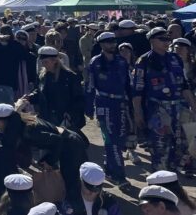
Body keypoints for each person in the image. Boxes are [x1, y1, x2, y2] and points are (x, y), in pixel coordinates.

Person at [0, 103, 88, 205]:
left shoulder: (28, 131)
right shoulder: (23, 124)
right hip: (68, 142)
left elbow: (57, 140)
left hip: (71, 145)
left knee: (73, 182)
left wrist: (49, 161)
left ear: (8, 122)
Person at [132, 27, 196, 171]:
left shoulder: (175, 58)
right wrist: (138, 112)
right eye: (162, 39)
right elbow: (137, 90)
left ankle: (174, 177)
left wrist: (194, 106)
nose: (166, 42)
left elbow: (185, 86)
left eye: (168, 38)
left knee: (181, 145)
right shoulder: (144, 61)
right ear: (152, 40)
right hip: (157, 109)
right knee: (161, 147)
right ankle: (160, 180)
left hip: (178, 107)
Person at [84, 32, 132, 185]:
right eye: (107, 42)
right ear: (101, 45)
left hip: (121, 105)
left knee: (120, 139)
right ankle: (119, 175)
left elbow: (128, 85)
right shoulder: (95, 62)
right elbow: (90, 85)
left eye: (113, 41)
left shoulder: (121, 61)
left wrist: (133, 105)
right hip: (104, 106)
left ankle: (110, 169)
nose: (111, 44)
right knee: (111, 140)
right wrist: (89, 108)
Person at [24, 46, 85, 132]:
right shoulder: (42, 76)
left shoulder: (70, 77)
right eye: (42, 62)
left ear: (55, 60)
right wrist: (29, 97)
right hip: (47, 117)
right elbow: (38, 92)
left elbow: (79, 98)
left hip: (64, 118)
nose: (44, 65)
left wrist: (71, 113)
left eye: (46, 62)